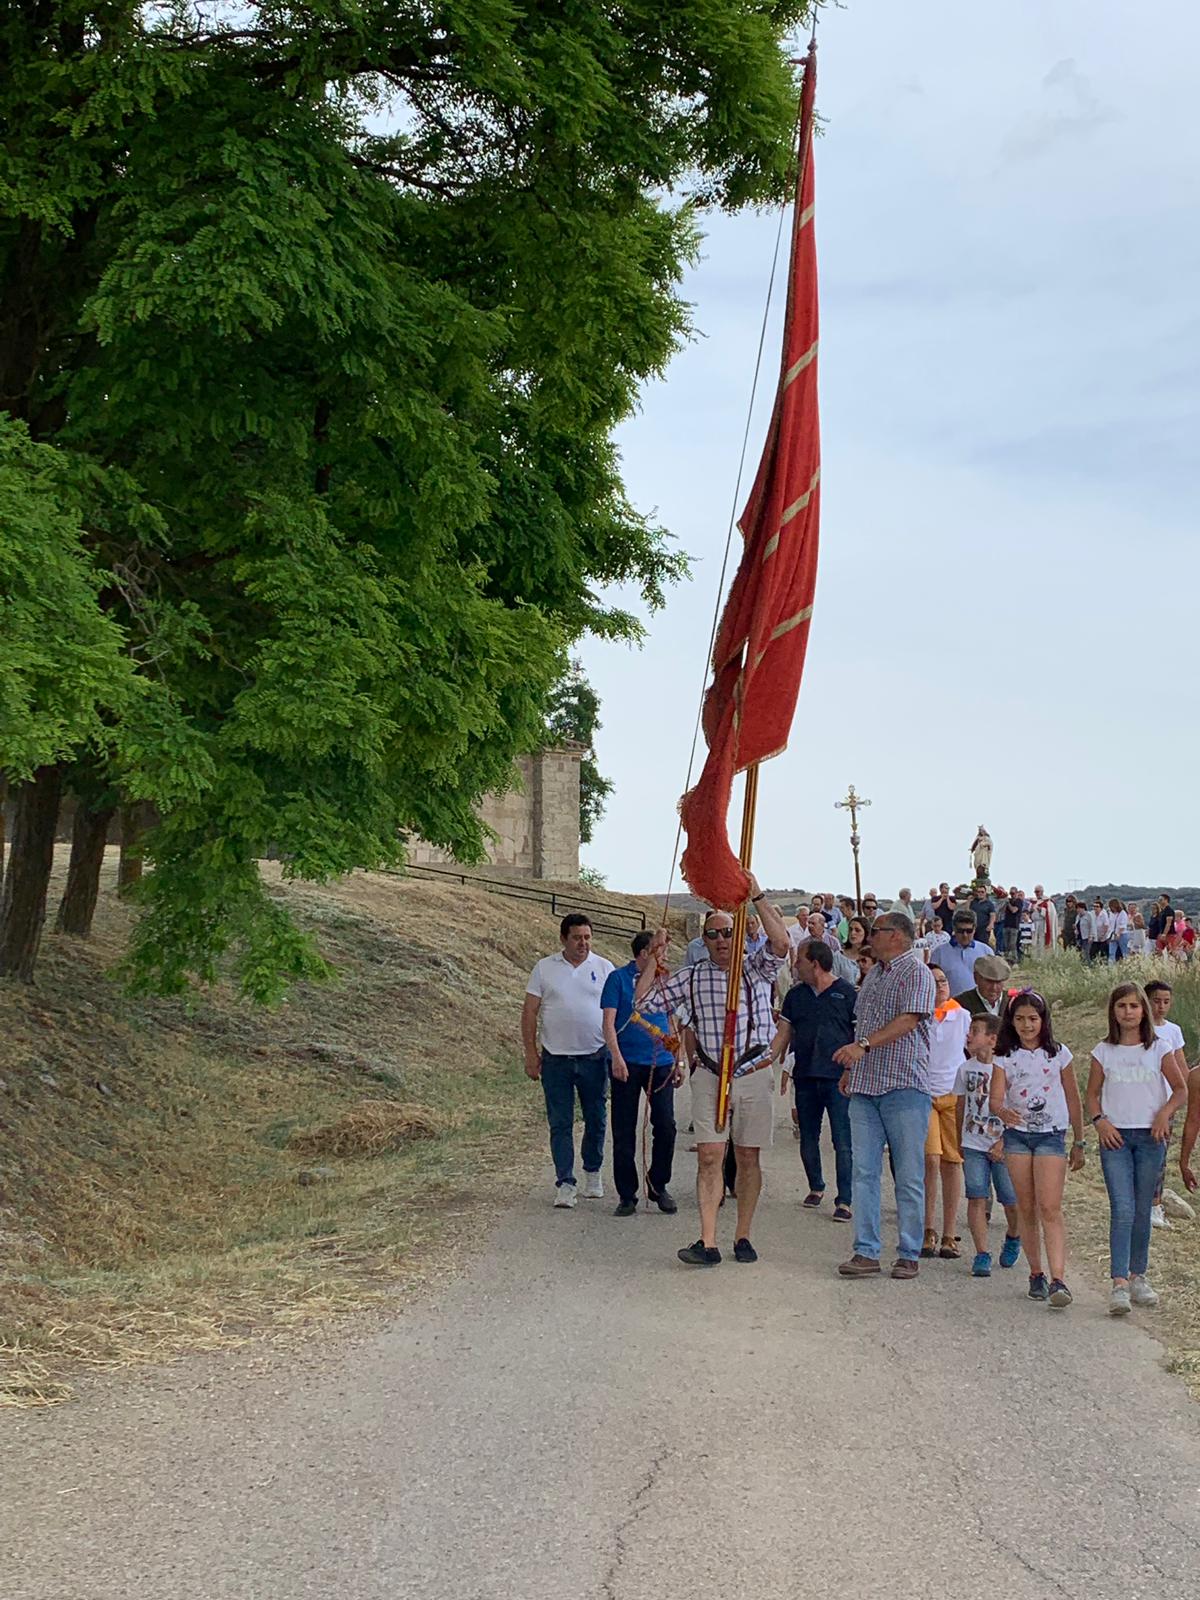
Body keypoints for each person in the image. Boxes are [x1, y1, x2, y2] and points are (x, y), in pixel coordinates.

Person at [639, 881, 788, 1266]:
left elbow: (782, 944)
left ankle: (743, 1234)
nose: (722, 940)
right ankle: (707, 1241)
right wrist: (654, 959)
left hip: (753, 1070)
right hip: (710, 1072)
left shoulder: (755, 967)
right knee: (709, 1154)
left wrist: (756, 895)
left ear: (738, 935)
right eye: (714, 934)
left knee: (748, 1156)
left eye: (728, 932)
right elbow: (644, 1002)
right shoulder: (691, 976)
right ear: (703, 941)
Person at [832, 912, 937, 1281]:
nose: (868, 937)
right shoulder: (874, 974)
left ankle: (909, 1251)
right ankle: (865, 1250)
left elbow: (910, 1019)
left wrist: (862, 1047)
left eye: (875, 932)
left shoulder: (917, 972)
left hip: (904, 1085)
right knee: (864, 1172)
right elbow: (863, 1024)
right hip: (865, 1086)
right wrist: (851, 1066)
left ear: (897, 936)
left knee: (908, 1173)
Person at [1087, 982, 1188, 1315]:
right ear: (1113, 1012)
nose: (1128, 1012)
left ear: (1143, 1010)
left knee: (1143, 1207)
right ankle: (1118, 1282)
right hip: (1115, 1137)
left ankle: (1138, 1274)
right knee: (1123, 1207)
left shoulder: (1159, 1049)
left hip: (1150, 1137)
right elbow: (1092, 1094)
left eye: (1134, 1006)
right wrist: (1100, 1120)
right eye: (1121, 1006)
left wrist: (1164, 1114)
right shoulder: (1103, 1052)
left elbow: (1180, 1089)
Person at [990, 990, 1086, 1307]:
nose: (1027, 1025)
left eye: (1033, 1019)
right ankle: (1036, 1272)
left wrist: (1079, 1140)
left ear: (1043, 1021)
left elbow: (1073, 1098)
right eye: (1020, 1019)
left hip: (1050, 1135)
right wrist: (1002, 1111)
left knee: (1050, 1207)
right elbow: (996, 1097)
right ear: (1011, 1021)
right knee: (1027, 1207)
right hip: (1018, 1136)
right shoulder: (1004, 1056)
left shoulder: (1059, 1054)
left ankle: (1059, 1278)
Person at [522, 914, 615, 1207]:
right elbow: (529, 1012)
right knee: (560, 1122)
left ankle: (593, 1171)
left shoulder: (603, 968)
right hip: (556, 1059)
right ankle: (565, 1181)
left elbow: (616, 1012)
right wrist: (530, 1053)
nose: (582, 943)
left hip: (594, 1056)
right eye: (577, 938)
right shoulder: (545, 969)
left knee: (596, 1119)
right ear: (564, 939)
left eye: (587, 937)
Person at [602, 932, 684, 1218]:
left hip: (660, 1060)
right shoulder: (618, 979)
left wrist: (678, 1060)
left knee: (666, 1125)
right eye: (658, 951)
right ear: (645, 952)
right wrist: (616, 1057)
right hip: (627, 1062)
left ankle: (658, 1184)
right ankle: (627, 1194)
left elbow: (674, 1020)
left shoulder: (664, 979)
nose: (663, 957)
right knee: (624, 1128)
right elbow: (609, 1022)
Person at [774, 939, 856, 1221]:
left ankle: (845, 1200)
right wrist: (763, 1062)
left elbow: (856, 1039)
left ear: (815, 964)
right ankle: (815, 1186)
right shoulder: (795, 996)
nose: (795, 965)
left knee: (842, 1140)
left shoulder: (847, 994)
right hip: (805, 1077)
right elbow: (783, 1034)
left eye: (800, 961)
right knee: (808, 1137)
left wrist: (851, 1071)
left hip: (837, 1079)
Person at [955, 1014, 1022, 1275]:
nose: (969, 1035)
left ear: (993, 1039)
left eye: (975, 1031)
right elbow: (961, 1105)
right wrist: (958, 1138)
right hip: (973, 1142)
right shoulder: (965, 1069)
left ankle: (1014, 1236)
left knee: (1010, 1199)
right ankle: (982, 1253)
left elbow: (1018, 1108)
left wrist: (1005, 1140)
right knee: (976, 1196)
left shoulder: (1007, 1069)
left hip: (1003, 1144)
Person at [922, 966, 970, 1260]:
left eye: (943, 981)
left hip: (953, 1093)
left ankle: (950, 1232)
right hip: (924, 1094)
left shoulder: (962, 1016)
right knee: (930, 1159)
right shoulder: (918, 1017)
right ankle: (928, 1228)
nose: (940, 986)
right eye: (933, 982)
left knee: (952, 1162)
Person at [1146, 979, 1188, 1228]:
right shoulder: (1137, 1028)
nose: (1161, 1007)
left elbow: (1181, 1067)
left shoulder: (1173, 1031)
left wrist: (1183, 1096)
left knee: (1159, 1155)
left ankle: (1155, 1204)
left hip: (1165, 1103)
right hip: (1140, 1101)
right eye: (1156, 1001)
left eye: (1166, 1002)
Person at [939, 911, 994, 998]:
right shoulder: (939, 953)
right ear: (954, 929)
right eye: (960, 931)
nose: (965, 935)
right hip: (951, 1006)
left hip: (979, 1006)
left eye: (969, 931)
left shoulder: (986, 951)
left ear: (975, 929)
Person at [955, 953, 1012, 1020]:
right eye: (989, 981)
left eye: (998, 982)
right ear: (976, 978)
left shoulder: (1013, 1002)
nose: (994, 988)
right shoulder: (960, 1004)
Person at [967, 882, 997, 948]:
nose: (980, 893)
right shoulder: (973, 902)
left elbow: (993, 915)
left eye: (982, 892)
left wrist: (991, 924)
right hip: (972, 928)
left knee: (982, 946)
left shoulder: (989, 904)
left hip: (983, 929)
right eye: (978, 892)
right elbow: (967, 911)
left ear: (985, 893)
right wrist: (968, 901)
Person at [1031, 886, 1058, 956]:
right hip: (1034, 923)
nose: (1036, 893)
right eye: (1035, 892)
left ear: (1042, 892)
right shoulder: (1034, 901)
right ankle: (1035, 956)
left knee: (1041, 940)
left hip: (1043, 923)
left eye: (1038, 892)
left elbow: (1050, 913)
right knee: (1035, 940)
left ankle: (1042, 956)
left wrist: (1041, 910)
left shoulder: (1048, 902)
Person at [999, 889, 1023, 961]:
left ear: (1016, 893)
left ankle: (1014, 959)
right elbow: (1001, 910)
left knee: (1012, 944)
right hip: (1006, 925)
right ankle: (1006, 959)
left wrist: (1008, 903)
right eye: (1011, 893)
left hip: (1014, 926)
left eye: (1013, 893)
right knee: (1005, 944)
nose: (1012, 895)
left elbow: (1013, 910)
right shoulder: (1008, 901)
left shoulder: (1019, 901)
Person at [1108, 898, 1129, 963]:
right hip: (1113, 934)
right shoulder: (1112, 914)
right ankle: (1111, 966)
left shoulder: (1123, 913)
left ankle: (1127, 964)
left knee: (1124, 952)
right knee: (1111, 952)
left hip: (1122, 934)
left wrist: (1118, 934)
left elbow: (1122, 926)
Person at [1091, 898, 1112, 963]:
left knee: (1103, 953)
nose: (1095, 908)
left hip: (1103, 938)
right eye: (1094, 906)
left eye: (1097, 906)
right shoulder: (1092, 914)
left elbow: (1106, 926)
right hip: (1095, 937)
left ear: (1101, 908)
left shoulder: (1103, 915)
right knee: (1092, 953)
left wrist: (1102, 935)